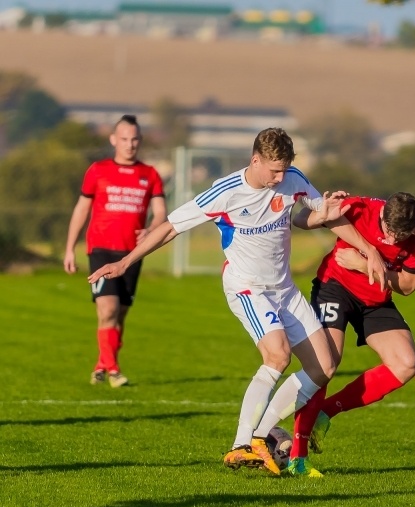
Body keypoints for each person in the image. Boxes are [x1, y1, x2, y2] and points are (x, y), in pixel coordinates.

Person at [87, 128, 386, 477]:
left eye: (284, 169)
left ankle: (261, 436)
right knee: (278, 355)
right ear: (255, 160)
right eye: (274, 170)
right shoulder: (225, 192)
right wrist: (125, 262)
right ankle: (242, 444)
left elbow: (321, 215)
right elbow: (169, 227)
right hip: (246, 286)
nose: (280, 177)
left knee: (325, 366)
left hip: (284, 289)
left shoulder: (292, 178)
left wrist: (367, 248)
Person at [270, 192, 415, 468]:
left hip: (376, 299)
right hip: (335, 288)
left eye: (402, 237)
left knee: (406, 364)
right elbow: (301, 218)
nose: (393, 241)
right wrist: (326, 213)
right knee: (326, 364)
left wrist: (362, 263)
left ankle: (325, 411)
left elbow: (406, 286)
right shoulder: (362, 208)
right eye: (390, 232)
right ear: (382, 215)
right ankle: (298, 458)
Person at [64, 114, 167, 388]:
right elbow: (81, 209)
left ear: (140, 141)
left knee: (118, 314)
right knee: (107, 309)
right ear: (113, 140)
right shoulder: (97, 170)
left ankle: (102, 364)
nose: (129, 144)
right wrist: (70, 248)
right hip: (100, 250)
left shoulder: (150, 175)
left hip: (132, 254)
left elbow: (160, 214)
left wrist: (151, 229)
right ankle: (114, 370)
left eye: (134, 139)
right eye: (124, 139)